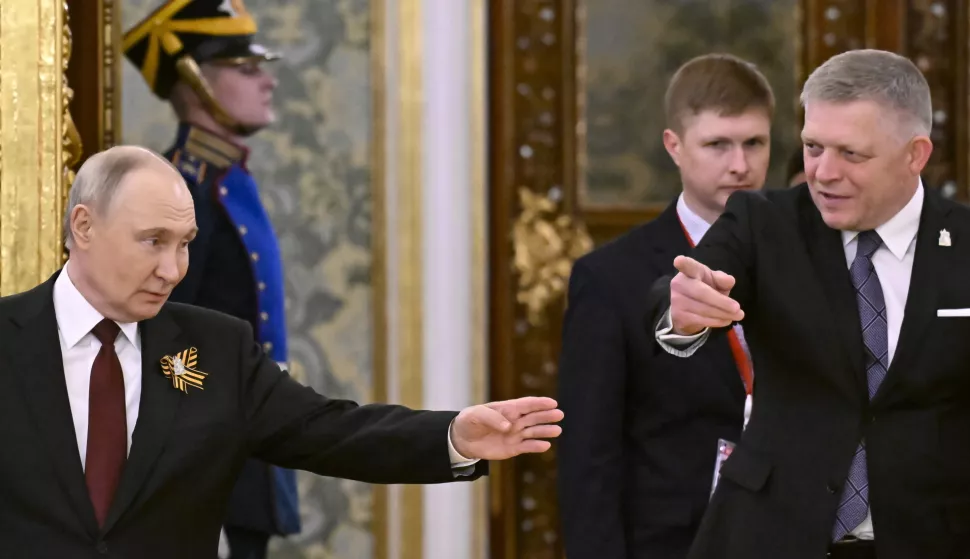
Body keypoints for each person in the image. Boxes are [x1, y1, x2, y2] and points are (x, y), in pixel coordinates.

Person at [0, 145, 563, 557]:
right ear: (85, 226)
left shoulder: (217, 347)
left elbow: (331, 431)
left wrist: (453, 436)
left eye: (185, 245)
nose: (172, 270)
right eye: (153, 242)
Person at [650, 49, 960, 559]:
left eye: (851, 154)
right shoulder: (760, 222)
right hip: (771, 535)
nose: (823, 173)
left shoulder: (964, 244)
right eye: (813, 147)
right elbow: (688, 282)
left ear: (915, 154)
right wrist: (679, 310)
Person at [557, 53, 773, 559]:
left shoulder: (807, 256)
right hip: (672, 542)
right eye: (718, 144)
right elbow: (589, 455)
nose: (740, 164)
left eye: (754, 143)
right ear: (674, 146)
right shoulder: (610, 278)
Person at [122, 1, 295, 555]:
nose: (267, 81)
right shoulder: (182, 193)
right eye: (246, 70)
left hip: (248, 456)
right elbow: (151, 340)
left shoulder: (228, 180)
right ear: (195, 81)